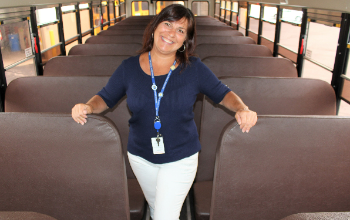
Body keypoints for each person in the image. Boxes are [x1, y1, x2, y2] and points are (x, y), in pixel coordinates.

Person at [72, 4, 257, 220]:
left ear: (185, 40)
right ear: (155, 26)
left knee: (164, 216)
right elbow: (105, 97)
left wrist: (242, 109)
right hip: (140, 156)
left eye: (180, 30)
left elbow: (222, 93)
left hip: (181, 157)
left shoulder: (194, 69)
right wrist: (88, 106)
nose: (171, 33)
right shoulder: (129, 68)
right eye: (167, 24)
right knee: (156, 207)